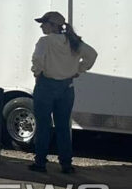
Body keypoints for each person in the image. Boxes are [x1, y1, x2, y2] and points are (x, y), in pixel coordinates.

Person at [29, 11, 98, 174]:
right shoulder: (73, 42)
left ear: (53, 25)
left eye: (44, 23)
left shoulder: (45, 41)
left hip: (46, 86)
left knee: (43, 125)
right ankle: (66, 164)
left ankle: (40, 162)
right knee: (63, 127)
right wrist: (79, 70)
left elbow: (37, 60)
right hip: (67, 87)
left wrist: (37, 73)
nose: (41, 26)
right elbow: (92, 55)